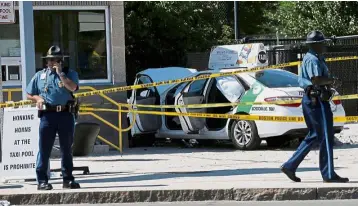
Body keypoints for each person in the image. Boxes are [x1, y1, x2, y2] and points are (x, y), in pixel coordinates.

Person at [280, 31, 349, 183]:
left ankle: (290, 165)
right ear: (315, 44)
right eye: (322, 43)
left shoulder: (315, 58)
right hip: (316, 100)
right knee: (325, 136)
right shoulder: (312, 59)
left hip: (313, 100)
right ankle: (329, 174)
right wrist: (332, 81)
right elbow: (316, 79)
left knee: (314, 135)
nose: (324, 45)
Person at [26, 45, 81, 190]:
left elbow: (73, 88)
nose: (51, 62)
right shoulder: (40, 75)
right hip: (48, 115)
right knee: (44, 149)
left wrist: (61, 74)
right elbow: (29, 93)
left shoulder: (70, 74)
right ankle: (42, 180)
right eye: (49, 60)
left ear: (61, 61)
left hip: (65, 114)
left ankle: (68, 179)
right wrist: (37, 99)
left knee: (66, 149)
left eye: (55, 60)